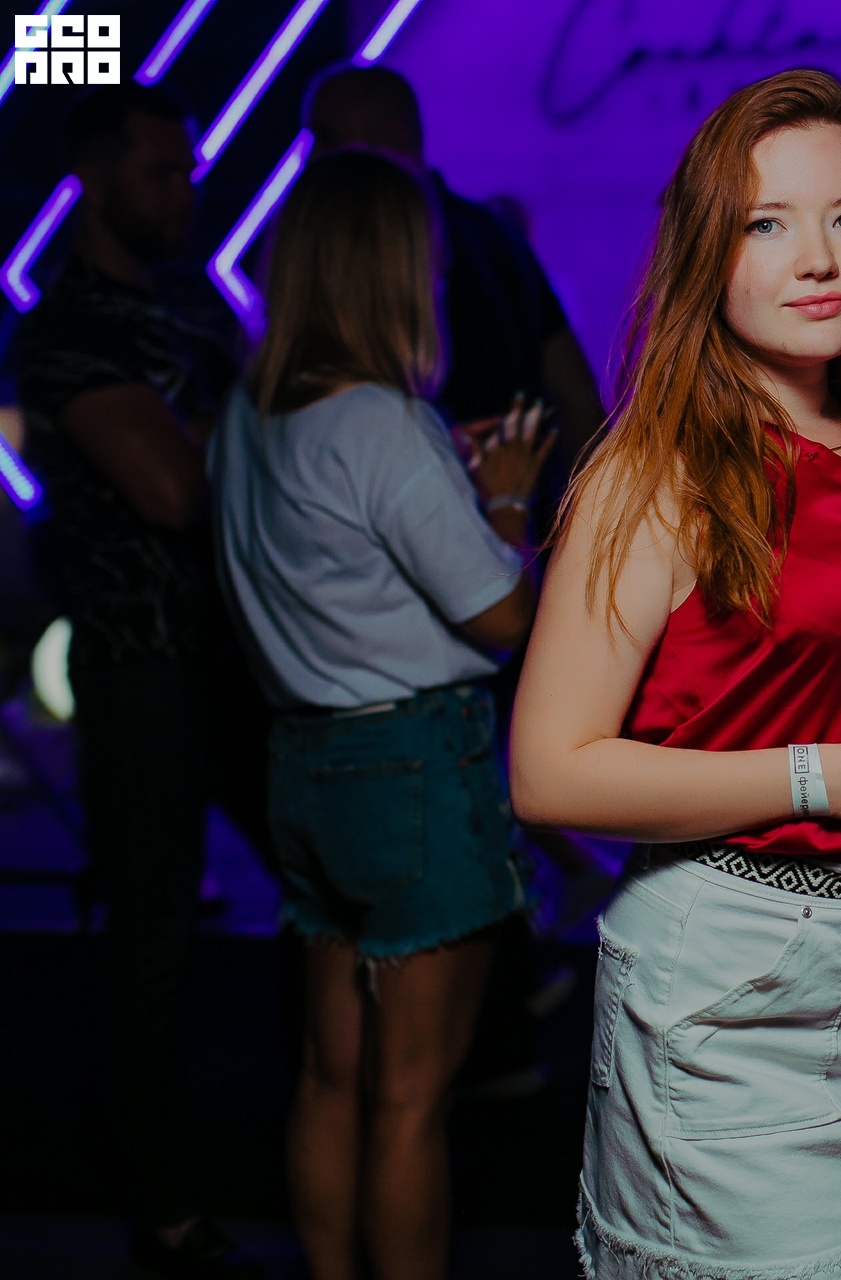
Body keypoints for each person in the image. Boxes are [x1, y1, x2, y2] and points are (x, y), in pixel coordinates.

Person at [509, 69, 841, 1279]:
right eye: (767, 223)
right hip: (740, 977)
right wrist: (824, 776)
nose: (818, 257)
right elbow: (550, 770)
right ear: (708, 256)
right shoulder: (658, 470)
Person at [206, 149, 551, 1280]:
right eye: (429, 259)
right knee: (412, 1099)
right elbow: (504, 616)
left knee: (329, 1076)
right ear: (392, 269)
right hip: (411, 771)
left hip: (304, 767)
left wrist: (449, 482)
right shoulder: (383, 424)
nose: (438, 277)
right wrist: (505, 498)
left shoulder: (248, 416)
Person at [301, 62, 615, 1099]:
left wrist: (551, 523)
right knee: (386, 1080)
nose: (315, 169)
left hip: (426, 637)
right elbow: (572, 391)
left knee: (366, 1080)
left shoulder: (348, 386)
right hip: (421, 651)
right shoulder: (366, 399)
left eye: (330, 147)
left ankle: (503, 1020)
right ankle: (507, 1011)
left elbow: (568, 395)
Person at [13, 84, 271, 1279]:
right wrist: (253, 436)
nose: (186, 192)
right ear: (97, 176)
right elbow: (175, 491)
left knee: (325, 892)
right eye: (163, 172)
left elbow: (259, 452)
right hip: (138, 664)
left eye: (189, 170)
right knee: (154, 939)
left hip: (239, 653)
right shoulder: (66, 327)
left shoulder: (192, 306)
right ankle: (167, 1208)